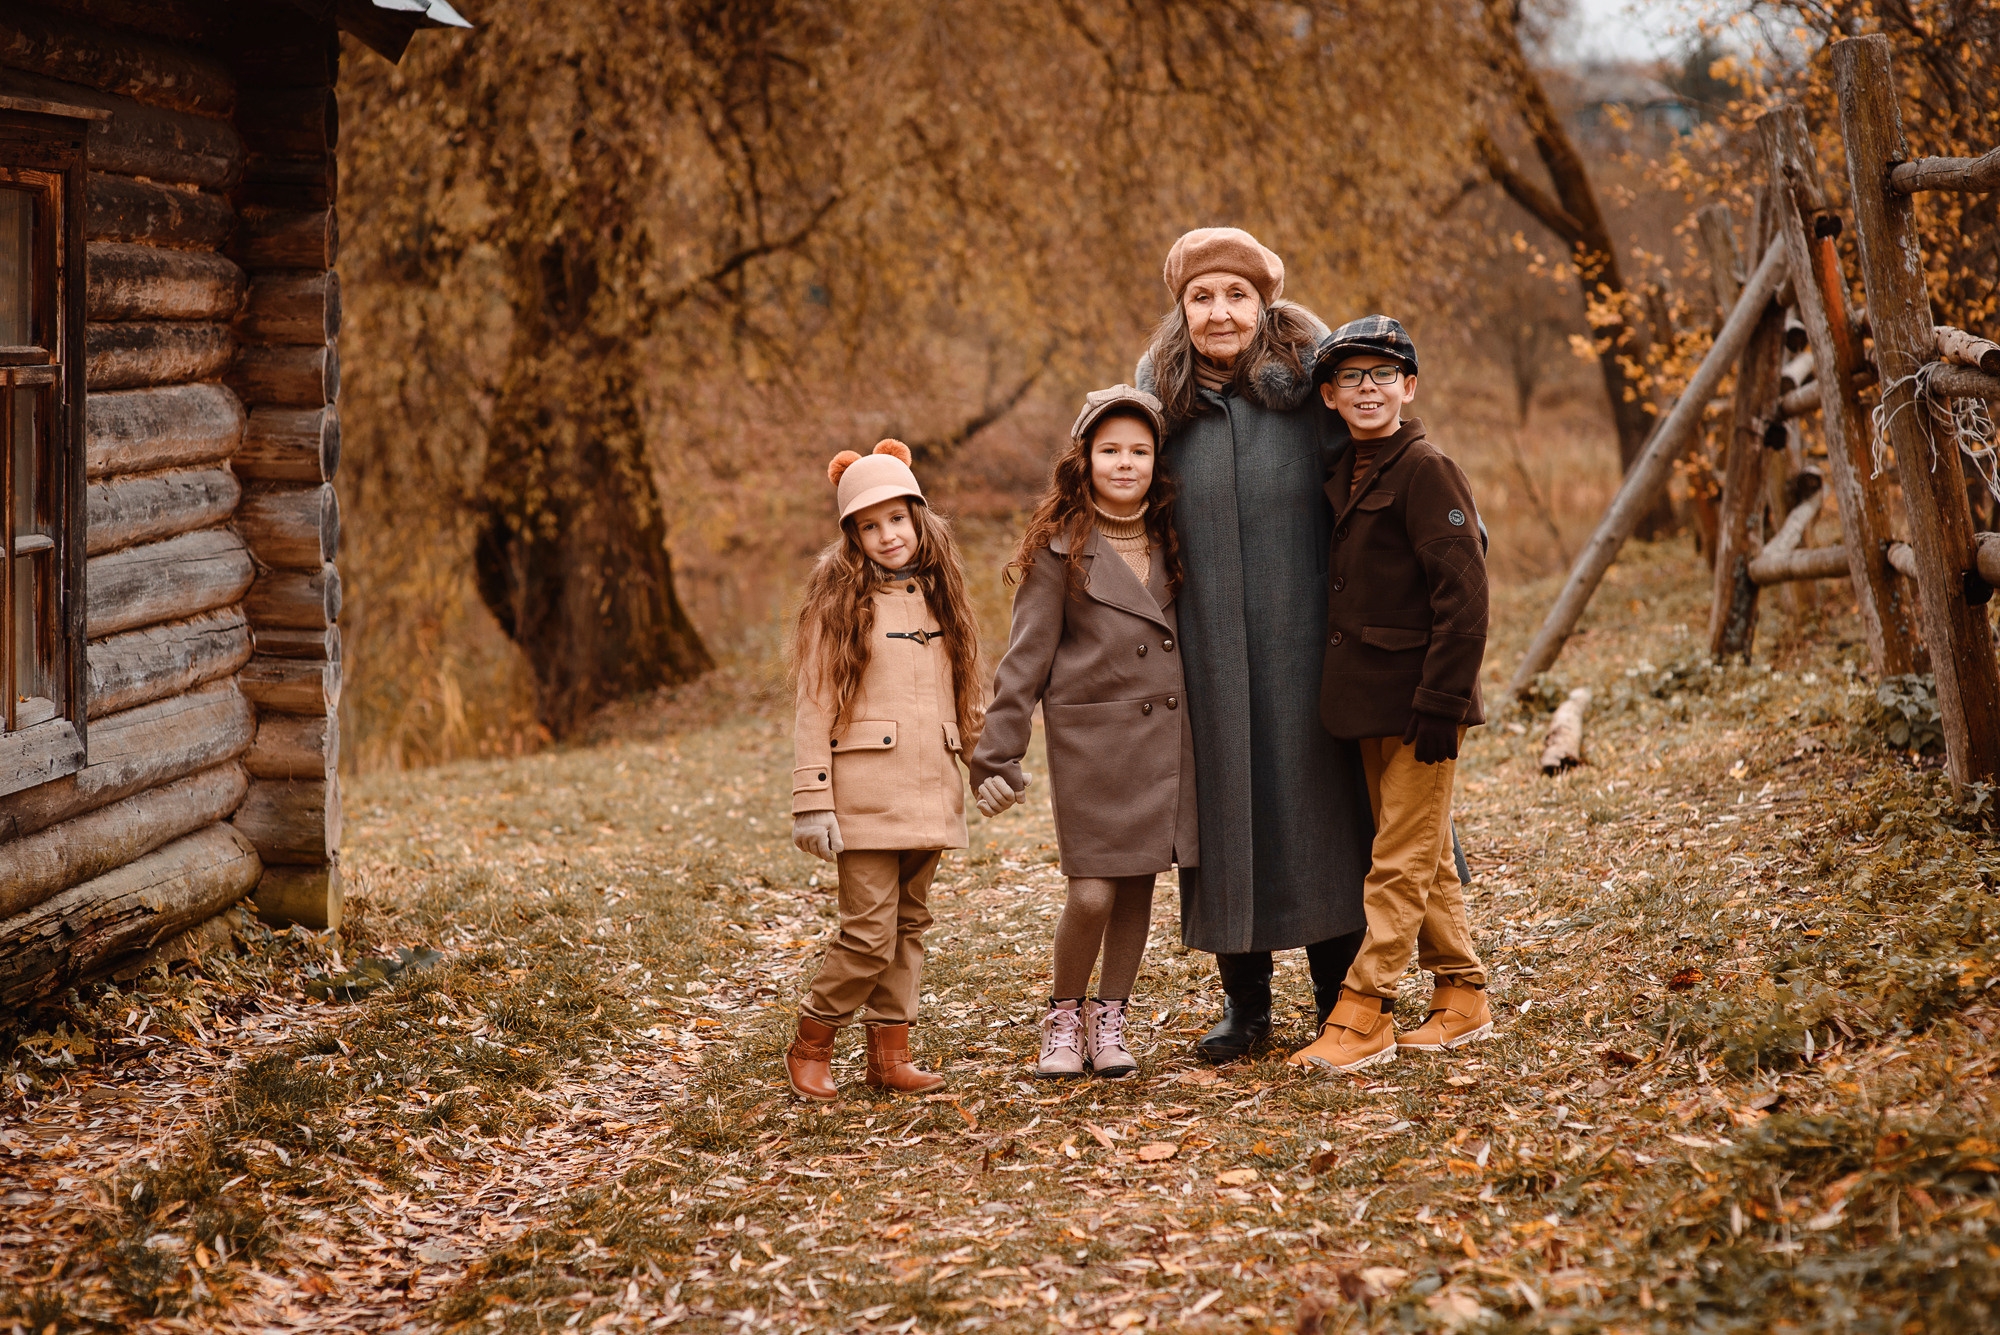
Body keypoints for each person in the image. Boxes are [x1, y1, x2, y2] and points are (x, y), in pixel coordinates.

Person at [1135, 226, 1375, 1061]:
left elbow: (1375, 470)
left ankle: (1338, 997)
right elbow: (1110, 493)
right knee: (1228, 813)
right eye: (1201, 297)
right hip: (1204, 647)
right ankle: (1246, 1006)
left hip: (1306, 633)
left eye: (1236, 294)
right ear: (1182, 309)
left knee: (1319, 809)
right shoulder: (1159, 405)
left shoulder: (1316, 389)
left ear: (1263, 301)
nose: (1219, 311)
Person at [971, 385, 1196, 1080]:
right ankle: (1063, 1016)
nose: (1124, 463)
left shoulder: (1177, 537)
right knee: (1093, 890)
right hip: (1093, 746)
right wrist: (995, 755)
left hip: (1165, 740)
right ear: (1086, 458)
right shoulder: (1059, 548)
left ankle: (1111, 1019)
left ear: (1157, 461)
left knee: (1137, 888)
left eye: (1139, 450)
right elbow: (1025, 658)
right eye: (1109, 451)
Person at [1287, 316, 1493, 1074]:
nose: (1367, 389)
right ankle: (1463, 992)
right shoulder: (1349, 470)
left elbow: (1464, 594)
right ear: (1330, 397)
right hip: (1370, 699)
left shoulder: (1424, 467)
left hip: (1419, 702)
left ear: (1409, 386)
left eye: (1382, 374)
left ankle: (1365, 1008)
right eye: (1351, 378)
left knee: (1398, 858)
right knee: (1424, 850)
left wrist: (1443, 700)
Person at [785, 440, 986, 1101]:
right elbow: (815, 702)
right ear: (853, 536)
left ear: (918, 517)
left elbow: (967, 690)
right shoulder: (841, 604)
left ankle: (889, 1052)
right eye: (869, 526)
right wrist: (813, 797)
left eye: (897, 519)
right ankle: (813, 1038)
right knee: (868, 933)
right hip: (865, 798)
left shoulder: (942, 597)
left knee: (908, 927)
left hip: (931, 790)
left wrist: (986, 764)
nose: (887, 535)